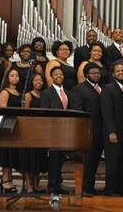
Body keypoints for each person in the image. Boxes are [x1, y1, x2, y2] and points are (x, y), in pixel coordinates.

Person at [72, 62, 104, 196]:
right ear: (86, 75)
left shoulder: (101, 88)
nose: (96, 75)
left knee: (94, 160)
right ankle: (83, 187)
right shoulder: (79, 89)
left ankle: (90, 186)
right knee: (87, 160)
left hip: (100, 130)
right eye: (93, 73)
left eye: (97, 73)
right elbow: (77, 110)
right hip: (87, 130)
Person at [40, 66, 71, 194]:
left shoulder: (68, 92)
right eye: (56, 75)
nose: (59, 76)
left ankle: (58, 183)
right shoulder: (47, 93)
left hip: (66, 130)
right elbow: (44, 112)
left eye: (61, 74)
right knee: (54, 159)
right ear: (51, 77)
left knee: (61, 159)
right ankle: (52, 185)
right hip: (53, 130)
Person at [101, 61, 123, 196]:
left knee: (121, 160)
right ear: (113, 74)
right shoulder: (108, 88)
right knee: (112, 161)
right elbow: (107, 112)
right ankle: (110, 188)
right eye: (118, 71)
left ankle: (119, 187)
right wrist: (111, 131)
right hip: (113, 131)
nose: (121, 73)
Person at [19, 74, 48, 193]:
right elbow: (24, 113)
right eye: (36, 80)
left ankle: (36, 184)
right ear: (32, 82)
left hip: (41, 131)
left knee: (38, 158)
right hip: (30, 131)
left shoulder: (45, 94)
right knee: (28, 159)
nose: (39, 82)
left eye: (41, 80)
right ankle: (28, 185)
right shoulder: (28, 95)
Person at [0, 68, 22, 193]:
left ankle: (9, 178)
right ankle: (5, 179)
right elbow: (3, 109)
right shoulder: (5, 92)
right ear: (7, 78)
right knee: (6, 154)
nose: (15, 77)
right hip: (7, 124)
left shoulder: (18, 92)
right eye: (12, 75)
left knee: (12, 154)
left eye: (17, 75)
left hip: (16, 125)